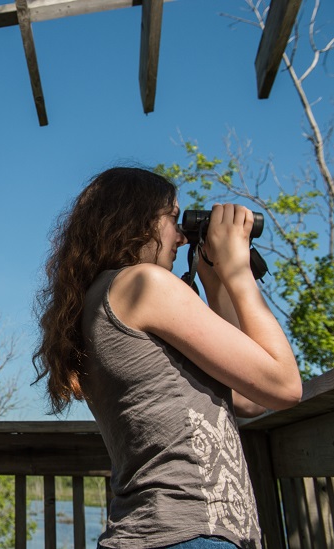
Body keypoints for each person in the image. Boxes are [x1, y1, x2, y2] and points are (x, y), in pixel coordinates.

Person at [33, 167, 301, 549]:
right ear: (136, 220)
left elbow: (250, 397)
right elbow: (285, 386)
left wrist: (213, 281)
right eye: (173, 218)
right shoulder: (142, 283)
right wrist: (238, 271)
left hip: (163, 533)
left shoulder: (100, 298)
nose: (180, 235)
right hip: (189, 534)